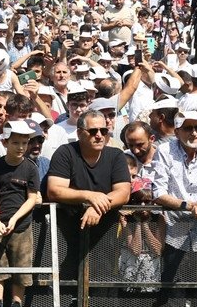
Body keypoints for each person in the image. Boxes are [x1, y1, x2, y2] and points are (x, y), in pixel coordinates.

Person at [149, 110, 197, 306]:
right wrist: (189, 206)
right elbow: (158, 192)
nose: (195, 133)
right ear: (177, 131)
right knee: (172, 297)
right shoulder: (164, 151)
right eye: (188, 128)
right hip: (174, 234)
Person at [45, 109, 131, 279]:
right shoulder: (65, 153)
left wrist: (97, 207)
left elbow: (123, 192)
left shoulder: (116, 155)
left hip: (104, 236)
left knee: (101, 287)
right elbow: (54, 190)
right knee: (65, 285)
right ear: (79, 133)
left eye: (104, 131)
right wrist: (90, 196)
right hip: (66, 234)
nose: (99, 135)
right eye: (93, 131)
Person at [0, 120, 42, 307]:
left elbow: (32, 198)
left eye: (25, 143)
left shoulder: (31, 168)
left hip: (22, 227)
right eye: (16, 142)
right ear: (5, 143)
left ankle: (17, 303)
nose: (21, 147)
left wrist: (16, 218)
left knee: (21, 270)